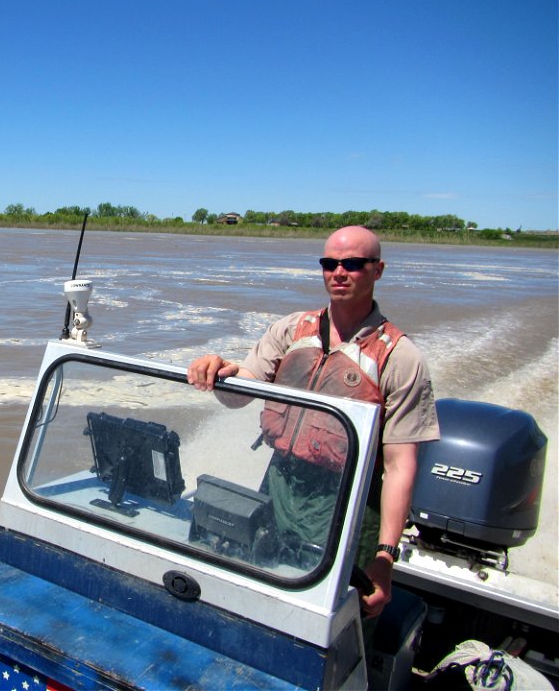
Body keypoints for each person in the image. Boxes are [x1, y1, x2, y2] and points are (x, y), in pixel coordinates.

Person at [186, 226, 439, 619]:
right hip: (278, 484)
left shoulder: (400, 358)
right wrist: (220, 371)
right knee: (259, 595)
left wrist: (386, 558)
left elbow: (400, 466)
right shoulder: (291, 331)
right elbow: (241, 391)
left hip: (349, 503)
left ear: (378, 270)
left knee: (335, 620)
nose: (339, 272)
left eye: (353, 264)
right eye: (330, 263)